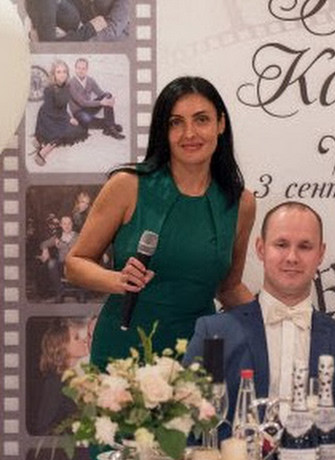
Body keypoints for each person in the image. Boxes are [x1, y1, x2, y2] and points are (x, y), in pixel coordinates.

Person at [65, 76, 256, 370]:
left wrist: (273, 322)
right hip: (124, 352)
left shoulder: (241, 203)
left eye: (201, 119)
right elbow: (75, 264)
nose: (189, 133)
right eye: (175, 122)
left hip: (203, 353)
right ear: (163, 131)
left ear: (220, 124)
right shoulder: (127, 185)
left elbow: (229, 288)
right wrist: (118, 280)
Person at [183, 201, 335, 430]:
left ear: (320, 254)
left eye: (305, 246)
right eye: (281, 244)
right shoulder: (215, 334)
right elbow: (189, 426)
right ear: (260, 248)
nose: (292, 257)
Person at [32, 317, 91, 435]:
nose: (84, 340)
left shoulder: (77, 376)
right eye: (76, 338)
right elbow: (45, 428)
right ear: (63, 346)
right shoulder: (54, 383)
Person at [31, 59, 88, 166]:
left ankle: (39, 140)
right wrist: (68, 119)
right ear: (54, 74)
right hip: (47, 117)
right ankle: (42, 153)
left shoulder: (67, 87)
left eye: (64, 71)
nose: (62, 74)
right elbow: (50, 111)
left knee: (78, 130)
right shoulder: (49, 90)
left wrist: (70, 117)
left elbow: (63, 108)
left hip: (60, 115)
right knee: (60, 132)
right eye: (58, 72)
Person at [68, 57, 125, 140]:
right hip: (78, 112)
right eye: (78, 68)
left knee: (107, 95)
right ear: (75, 69)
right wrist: (101, 103)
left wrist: (110, 99)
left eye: (83, 68)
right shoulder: (71, 83)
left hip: (89, 108)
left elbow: (101, 93)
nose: (81, 71)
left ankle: (110, 128)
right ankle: (111, 125)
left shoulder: (90, 80)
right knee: (87, 120)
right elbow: (82, 102)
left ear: (87, 70)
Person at [38, 215, 78, 301]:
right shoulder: (58, 237)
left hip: (75, 265)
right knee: (51, 263)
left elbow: (89, 245)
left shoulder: (78, 237)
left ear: (72, 224)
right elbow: (43, 244)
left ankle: (81, 293)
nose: (67, 226)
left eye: (69, 223)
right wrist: (45, 249)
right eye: (64, 224)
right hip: (61, 265)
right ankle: (60, 292)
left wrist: (103, 253)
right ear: (61, 225)